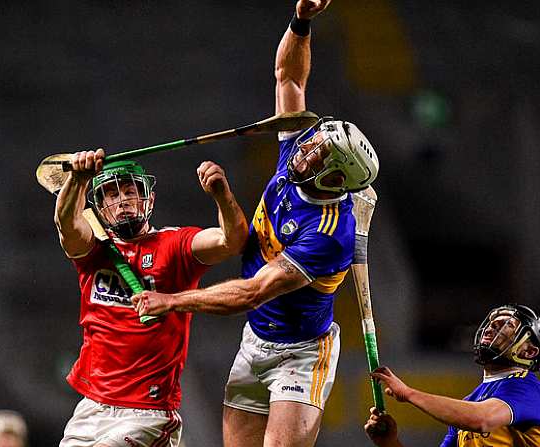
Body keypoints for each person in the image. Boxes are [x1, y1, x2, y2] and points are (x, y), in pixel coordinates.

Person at [130, 1, 380, 446]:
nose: (307, 148)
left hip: (302, 352)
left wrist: (171, 300)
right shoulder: (295, 153)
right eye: (314, 141)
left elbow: (249, 292)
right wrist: (301, 21)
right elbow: (289, 78)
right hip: (256, 340)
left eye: (319, 152)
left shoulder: (329, 234)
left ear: (336, 177)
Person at [54, 151, 248, 446]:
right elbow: (65, 223)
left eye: (129, 191)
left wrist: (222, 195)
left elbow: (231, 241)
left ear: (149, 199)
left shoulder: (175, 245)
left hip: (147, 413)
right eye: (110, 195)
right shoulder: (92, 249)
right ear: (100, 207)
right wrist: (77, 181)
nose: (122, 202)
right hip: (92, 406)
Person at [364, 304, 540, 447]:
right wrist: (390, 443)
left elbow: (483, 420)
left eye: (505, 325)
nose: (490, 328)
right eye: (491, 324)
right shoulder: (471, 401)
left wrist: (409, 393)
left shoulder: (526, 387)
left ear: (529, 352)